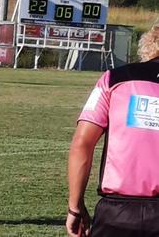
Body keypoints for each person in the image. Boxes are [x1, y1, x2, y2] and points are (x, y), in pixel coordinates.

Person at [66, 23, 159, 237]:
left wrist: (75, 205)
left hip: (117, 214)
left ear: (147, 47)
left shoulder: (114, 79)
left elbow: (82, 144)